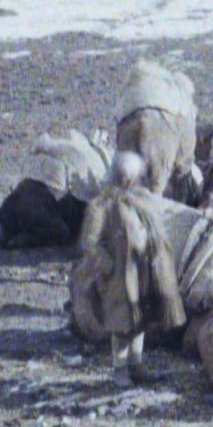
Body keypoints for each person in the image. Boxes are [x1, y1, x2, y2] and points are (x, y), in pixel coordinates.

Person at [71, 151, 185, 387]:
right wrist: (108, 266)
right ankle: (120, 369)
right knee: (122, 324)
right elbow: (90, 242)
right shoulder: (102, 206)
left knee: (140, 319)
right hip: (118, 276)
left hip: (141, 271)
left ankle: (137, 363)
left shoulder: (140, 200)